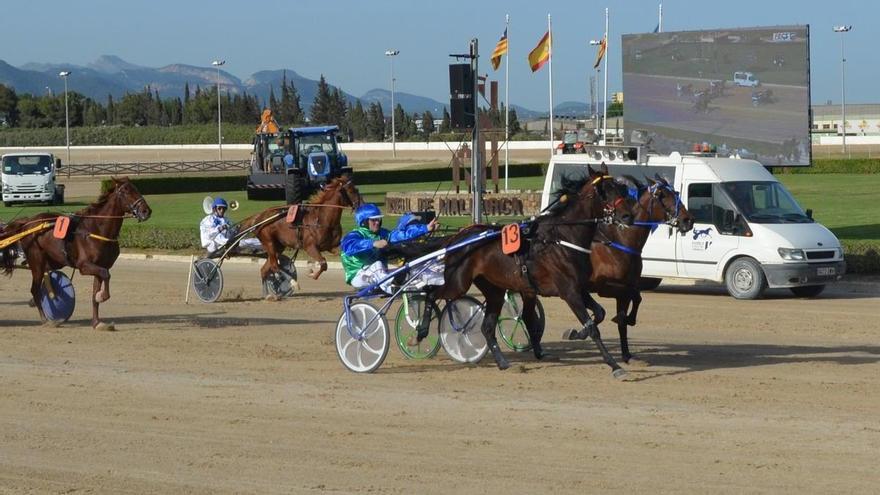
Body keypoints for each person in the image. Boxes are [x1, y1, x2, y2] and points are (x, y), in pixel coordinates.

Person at [341, 204, 440, 293]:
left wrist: (426, 228)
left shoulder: (383, 234)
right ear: (364, 222)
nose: (377, 223)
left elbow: (401, 235)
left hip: (379, 275)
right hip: (358, 277)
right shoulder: (355, 235)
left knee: (410, 267)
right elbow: (349, 246)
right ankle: (392, 288)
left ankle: (437, 282)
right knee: (377, 265)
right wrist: (373, 243)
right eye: (373, 220)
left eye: (378, 219)